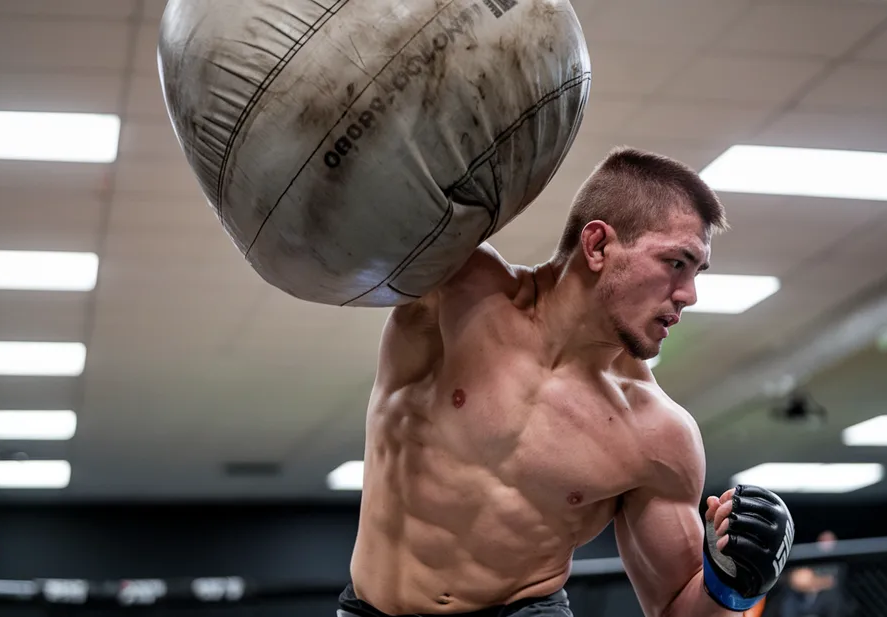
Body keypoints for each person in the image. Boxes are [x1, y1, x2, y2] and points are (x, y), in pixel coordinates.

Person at [338, 146, 795, 617]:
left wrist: (731, 585)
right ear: (597, 246)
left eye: (697, 272)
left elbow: (676, 609)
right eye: (676, 263)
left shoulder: (658, 433)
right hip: (373, 607)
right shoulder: (456, 289)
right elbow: (353, 204)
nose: (689, 294)